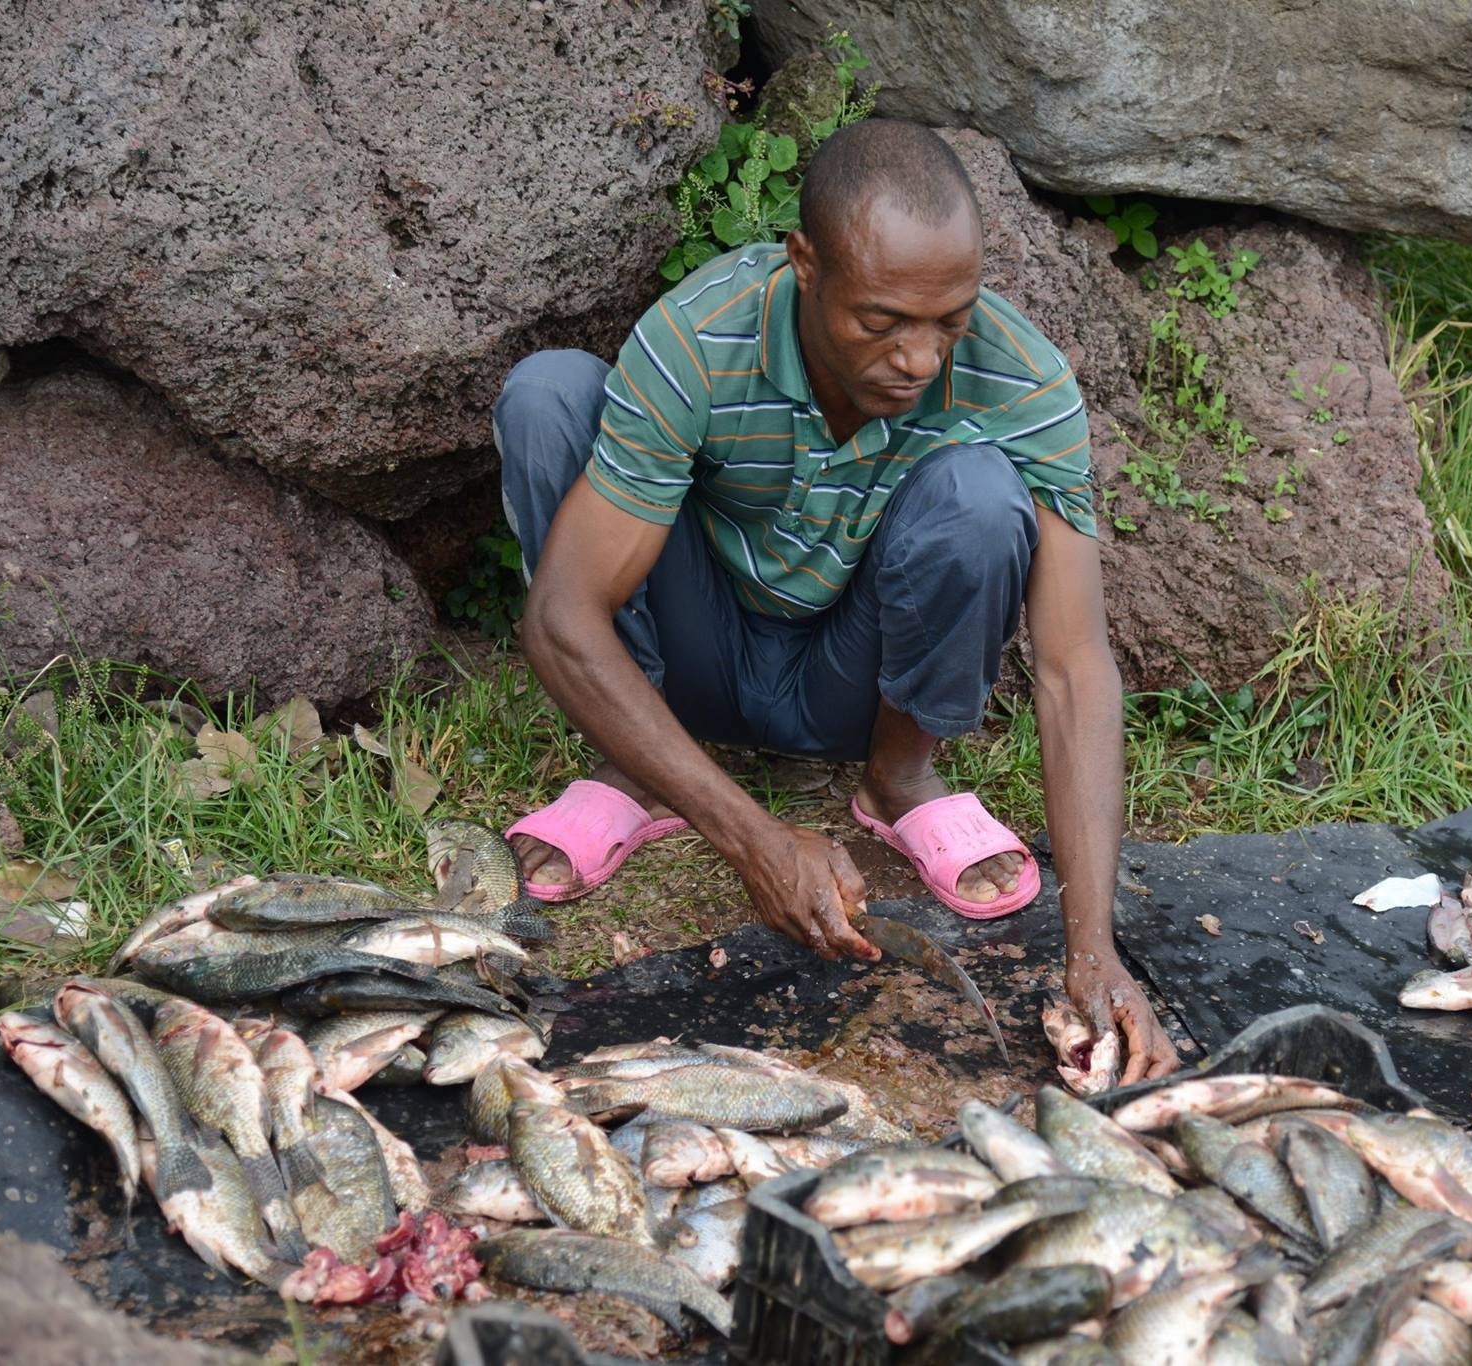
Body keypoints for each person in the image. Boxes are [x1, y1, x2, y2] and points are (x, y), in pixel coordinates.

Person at [492, 119, 1176, 1082]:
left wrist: (1094, 950)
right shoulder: (702, 337)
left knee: (980, 497)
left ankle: (899, 782)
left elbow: (1072, 668)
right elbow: (563, 617)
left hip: (854, 687)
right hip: (699, 654)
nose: (921, 359)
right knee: (551, 395)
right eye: (883, 320)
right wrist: (754, 838)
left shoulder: (1023, 379)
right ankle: (640, 772)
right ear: (804, 264)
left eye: (950, 320)